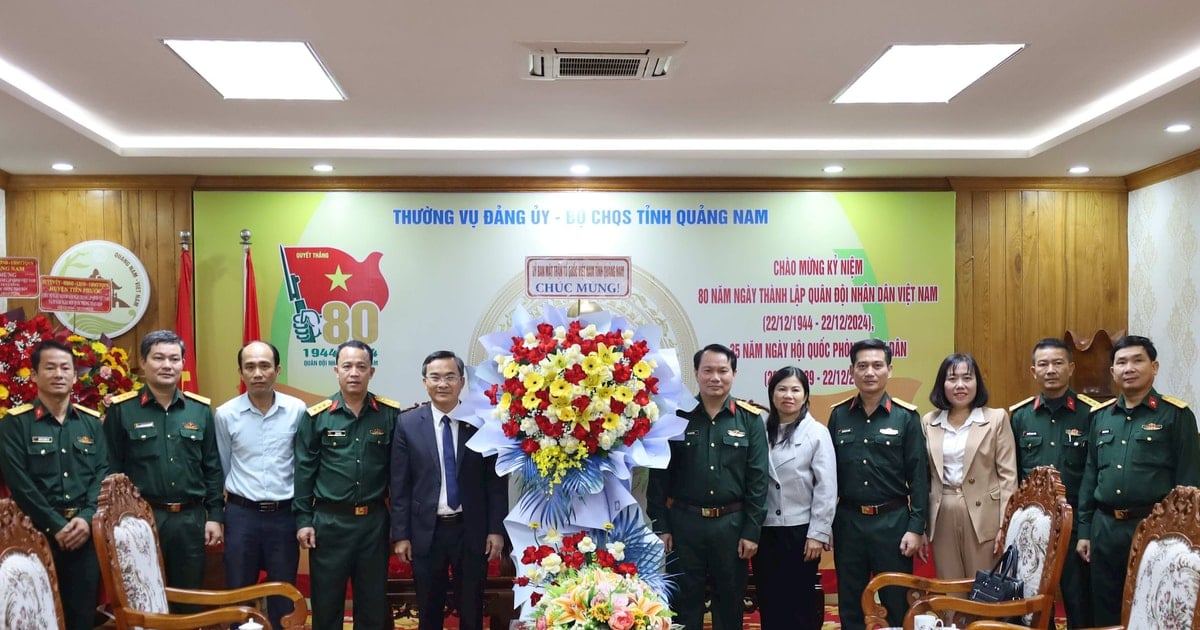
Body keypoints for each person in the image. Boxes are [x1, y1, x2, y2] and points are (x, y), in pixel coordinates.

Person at [1076, 335, 1200, 626]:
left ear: (1154, 367)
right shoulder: (1101, 417)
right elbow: (1090, 475)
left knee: (1150, 605)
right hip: (1104, 527)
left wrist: (1183, 538)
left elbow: (1189, 483)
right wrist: (1084, 529)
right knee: (1105, 604)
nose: (1128, 368)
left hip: (1153, 529)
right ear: (1112, 372)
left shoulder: (1176, 415)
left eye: (1137, 360)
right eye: (1121, 362)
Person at [647, 343, 769, 630]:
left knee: (730, 602)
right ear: (696, 373)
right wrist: (661, 527)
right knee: (683, 603)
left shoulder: (750, 420)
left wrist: (751, 531)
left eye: (723, 371)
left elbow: (758, 481)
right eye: (708, 371)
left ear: (734, 374)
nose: (716, 377)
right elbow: (659, 478)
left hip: (731, 526)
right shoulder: (677, 418)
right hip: (684, 525)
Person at [390, 351, 507, 630]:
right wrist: (401, 535)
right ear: (424, 382)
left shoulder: (481, 422)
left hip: (471, 529)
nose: (443, 384)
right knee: (428, 609)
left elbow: (496, 482)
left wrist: (495, 530)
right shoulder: (407, 424)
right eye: (435, 377)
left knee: (471, 607)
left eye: (450, 377)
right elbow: (400, 485)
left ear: (462, 381)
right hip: (426, 531)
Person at [104, 329, 224, 595]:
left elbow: (212, 468)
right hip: (140, 519)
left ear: (183, 364)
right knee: (143, 595)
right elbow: (111, 469)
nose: (167, 365)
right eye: (159, 358)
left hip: (190, 520)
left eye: (174, 359)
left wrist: (214, 516)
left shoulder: (199, 410)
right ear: (143, 363)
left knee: (188, 596)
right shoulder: (122, 410)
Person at [0, 340, 108, 630]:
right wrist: (54, 525)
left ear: (75, 376)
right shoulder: (15, 423)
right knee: (35, 616)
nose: (59, 374)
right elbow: (18, 482)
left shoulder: (91, 423)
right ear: (34, 375)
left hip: (82, 537)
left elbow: (101, 473)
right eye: (50, 367)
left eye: (65, 368)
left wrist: (85, 520)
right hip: (34, 535)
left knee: (81, 617)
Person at [295, 340, 399, 630]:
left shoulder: (389, 415)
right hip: (329, 523)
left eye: (361, 367)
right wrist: (304, 519)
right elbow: (304, 472)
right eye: (347, 366)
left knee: (372, 605)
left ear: (371, 372)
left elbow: (398, 475)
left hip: (374, 523)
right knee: (326, 605)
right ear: (336, 370)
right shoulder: (317, 416)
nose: (354, 372)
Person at [827, 338, 927, 630]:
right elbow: (828, 476)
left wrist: (916, 526)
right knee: (850, 601)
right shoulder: (839, 415)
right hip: (849, 522)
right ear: (852, 371)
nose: (870, 372)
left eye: (877, 365)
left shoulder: (906, 417)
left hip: (893, 524)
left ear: (889, 370)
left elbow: (919, 476)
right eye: (862, 366)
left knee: (897, 602)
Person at [214, 340, 307, 630]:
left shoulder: (297, 410)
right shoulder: (226, 414)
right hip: (242, 516)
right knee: (239, 593)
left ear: (277, 370)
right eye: (250, 366)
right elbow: (222, 467)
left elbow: (302, 465)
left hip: (284, 515)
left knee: (283, 593)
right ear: (240, 372)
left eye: (265, 365)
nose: (258, 373)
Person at [1009, 337, 1099, 628]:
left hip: (1074, 527)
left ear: (1071, 368)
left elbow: (1093, 472)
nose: (1051, 370)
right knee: (1032, 604)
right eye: (1043, 364)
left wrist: (1085, 527)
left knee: (1079, 601)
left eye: (1058, 363)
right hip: (1032, 528)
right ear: (1033, 371)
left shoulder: (1092, 414)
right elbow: (1013, 475)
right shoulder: (1019, 416)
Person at [753, 366, 836, 630]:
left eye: (795, 389)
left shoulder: (817, 433)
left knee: (799, 604)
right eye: (782, 389)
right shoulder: (760, 430)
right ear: (772, 393)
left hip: (801, 532)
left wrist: (818, 533)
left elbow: (827, 487)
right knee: (770, 601)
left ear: (805, 395)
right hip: (765, 531)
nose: (788, 395)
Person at [922, 353, 1018, 579]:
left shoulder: (996, 419)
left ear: (977, 383)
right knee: (950, 585)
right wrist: (922, 527)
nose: (960, 385)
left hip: (985, 515)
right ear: (941, 384)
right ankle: (950, 617)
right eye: (952, 379)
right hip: (942, 512)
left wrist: (1006, 525)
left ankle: (983, 618)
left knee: (983, 584)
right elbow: (924, 478)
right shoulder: (929, 421)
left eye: (967, 378)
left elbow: (1008, 477)